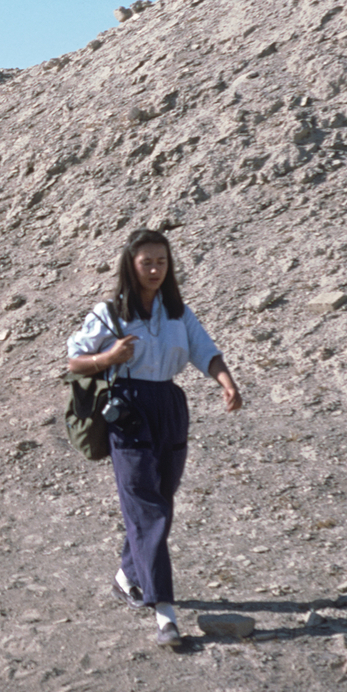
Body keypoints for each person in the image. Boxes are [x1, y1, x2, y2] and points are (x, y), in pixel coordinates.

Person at [66, 227, 243, 651]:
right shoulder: (110, 312)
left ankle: (126, 576)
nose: (155, 269)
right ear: (131, 264)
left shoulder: (178, 312)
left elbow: (205, 351)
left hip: (169, 405)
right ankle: (164, 611)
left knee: (161, 498)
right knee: (147, 506)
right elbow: (74, 359)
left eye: (161, 262)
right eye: (147, 261)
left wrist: (226, 381)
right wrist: (107, 358)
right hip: (127, 410)